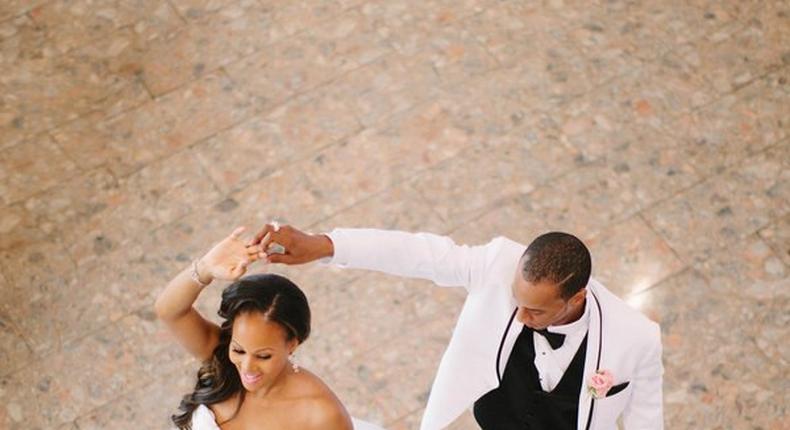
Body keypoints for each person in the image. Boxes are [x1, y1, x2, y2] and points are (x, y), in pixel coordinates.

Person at [247, 224, 664, 430]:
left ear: (575, 299)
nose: (519, 316)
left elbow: (647, 420)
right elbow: (420, 253)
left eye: (535, 312)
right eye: (516, 300)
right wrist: (325, 245)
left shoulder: (636, 339)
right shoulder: (498, 264)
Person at [155, 227, 382, 430]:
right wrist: (205, 268)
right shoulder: (220, 355)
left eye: (263, 356)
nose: (247, 367)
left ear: (293, 344)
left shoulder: (321, 415)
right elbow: (170, 311)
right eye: (239, 350)